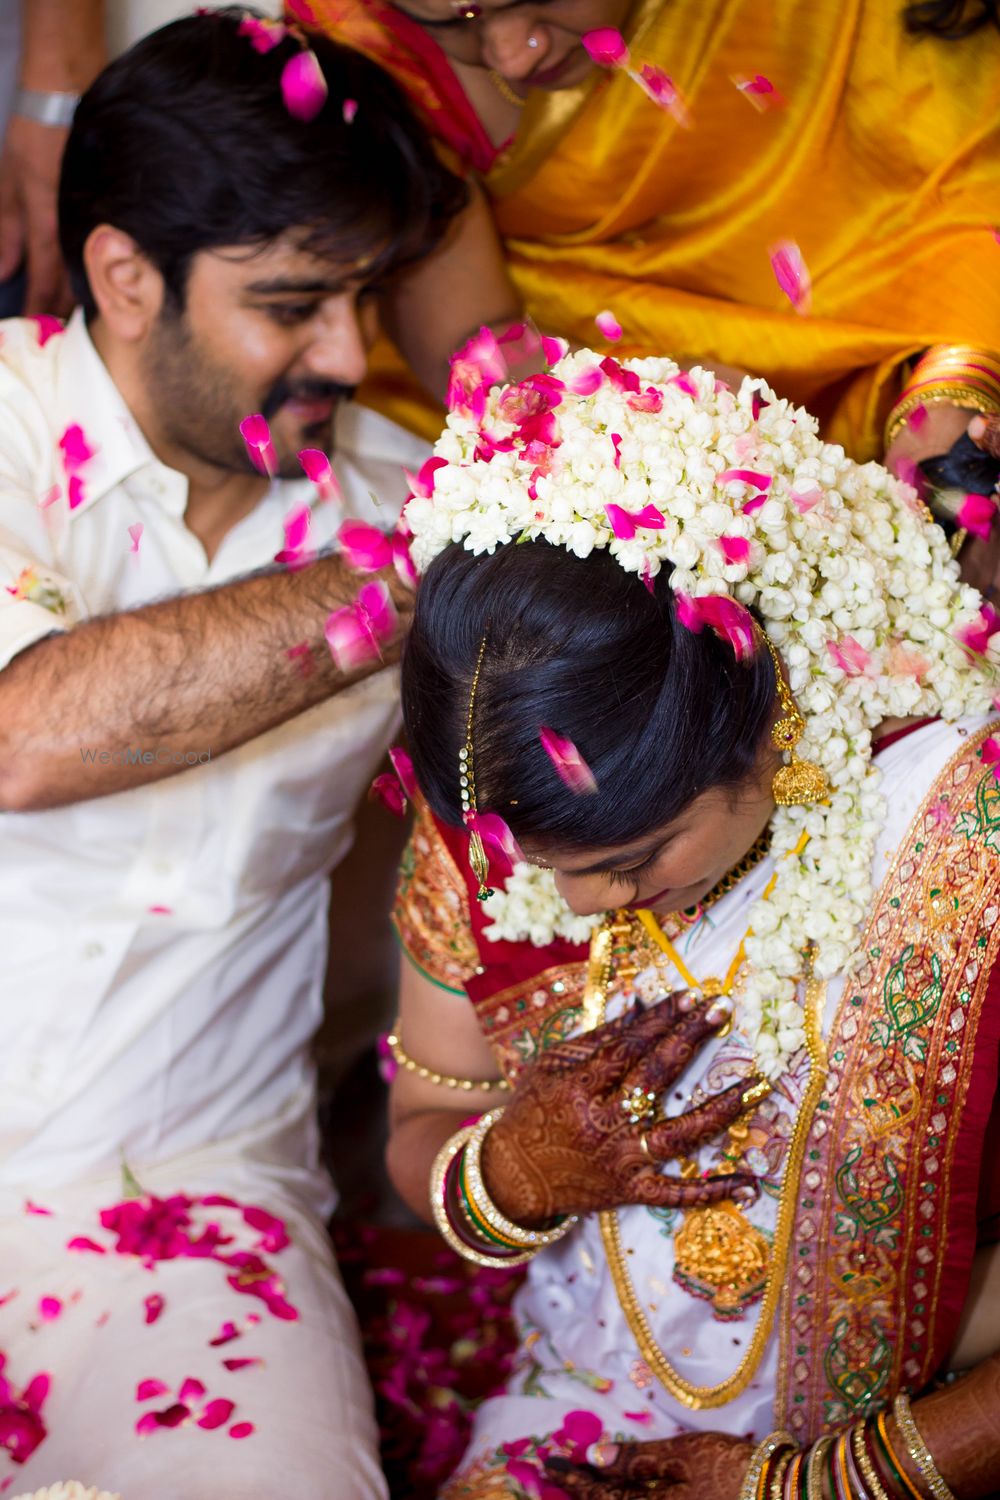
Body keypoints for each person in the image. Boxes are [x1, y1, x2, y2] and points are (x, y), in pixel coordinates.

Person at [386, 347, 1000, 1498]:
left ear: (764, 723)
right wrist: (505, 1180)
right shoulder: (493, 798)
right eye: (546, 866)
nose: (575, 908)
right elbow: (425, 1112)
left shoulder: (958, 834)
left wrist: (812, 1486)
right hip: (568, 1412)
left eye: (630, 860)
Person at [0, 10, 468, 1495]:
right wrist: (408, 575)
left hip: (203, 1195)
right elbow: (24, 737)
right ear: (127, 278)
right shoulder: (4, 436)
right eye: (293, 302)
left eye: (367, 295)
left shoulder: (410, 498)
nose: (353, 352)